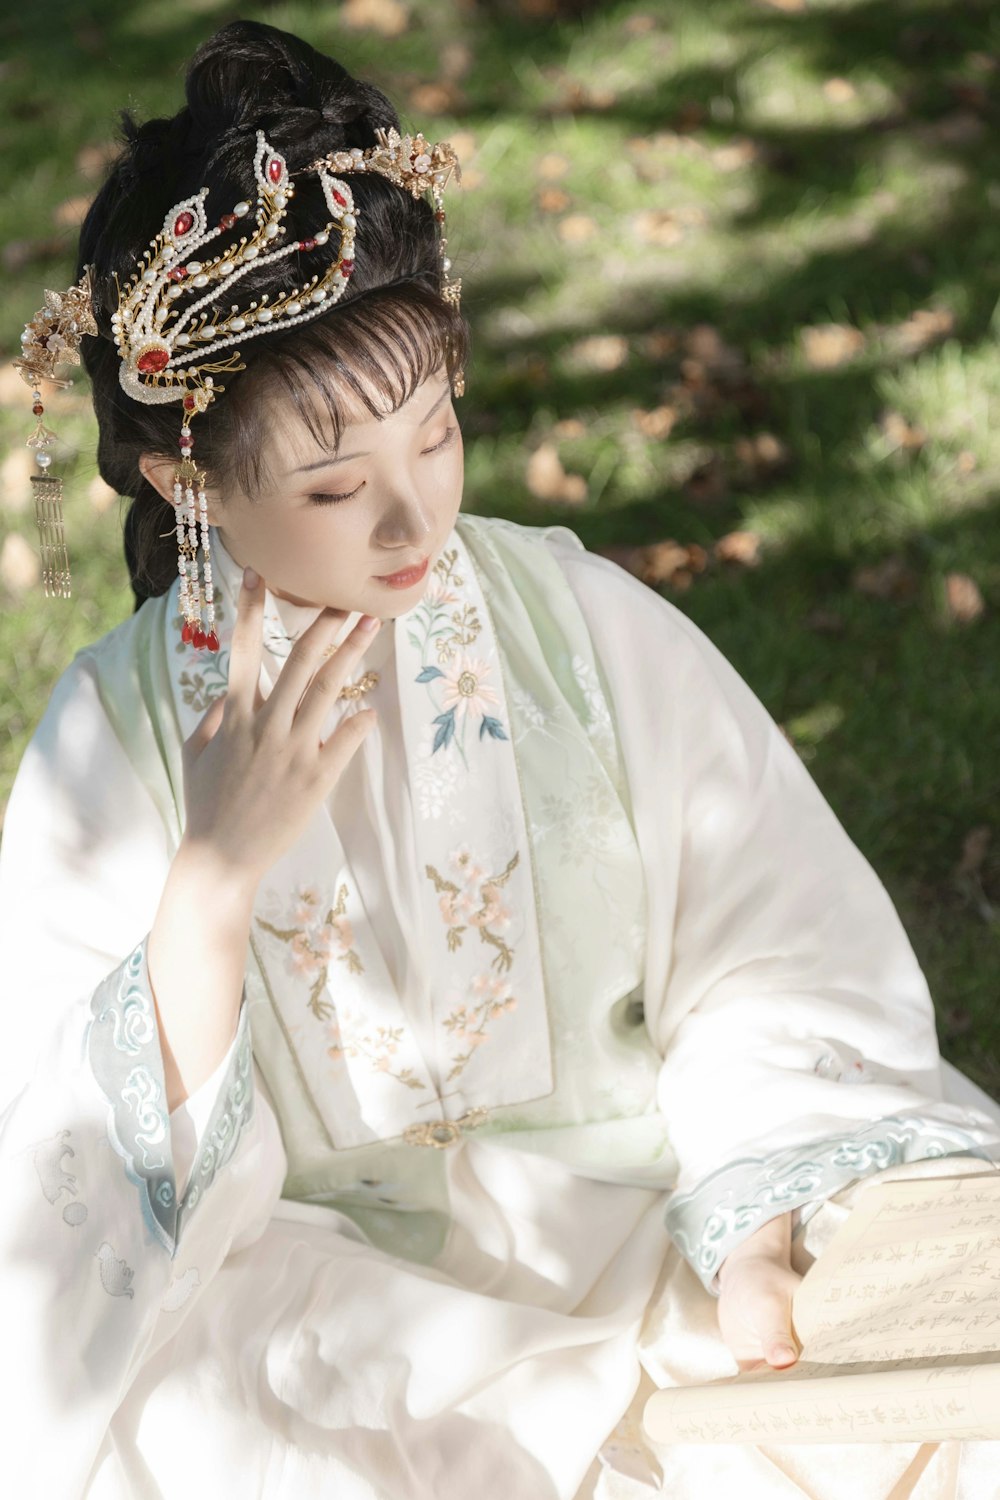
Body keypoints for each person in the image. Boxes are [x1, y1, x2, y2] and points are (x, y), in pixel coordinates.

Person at [1, 19, 998, 1500]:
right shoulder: (116, 744)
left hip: (646, 1222)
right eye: (338, 485)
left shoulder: (577, 627)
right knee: (181, 1418)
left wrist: (755, 1225)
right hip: (326, 1313)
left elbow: (771, 950)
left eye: (439, 436)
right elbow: (63, 1201)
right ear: (183, 476)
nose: (412, 526)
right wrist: (211, 883)